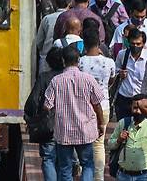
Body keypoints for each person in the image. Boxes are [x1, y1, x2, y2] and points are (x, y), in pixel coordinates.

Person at [43, 46, 104, 181]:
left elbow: (47, 106)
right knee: (87, 164)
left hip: (64, 131)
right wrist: (101, 123)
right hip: (85, 130)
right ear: (78, 60)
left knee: (65, 167)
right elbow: (97, 104)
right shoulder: (88, 79)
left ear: (63, 61)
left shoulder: (56, 81)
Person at [78, 31, 115, 181]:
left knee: (83, 142)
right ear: (99, 44)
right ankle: (98, 177)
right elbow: (111, 81)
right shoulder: (109, 62)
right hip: (104, 105)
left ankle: (84, 174)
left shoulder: (80, 62)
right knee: (99, 144)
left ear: (84, 45)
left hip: (83, 107)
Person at [24, 48, 65, 181]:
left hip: (49, 125)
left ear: (48, 62)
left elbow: (34, 100)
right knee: (64, 160)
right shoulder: (70, 77)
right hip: (69, 125)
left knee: (48, 158)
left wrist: (30, 118)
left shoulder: (44, 77)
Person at [107, 94, 147, 181]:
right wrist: (119, 140)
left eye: (141, 108)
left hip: (146, 176)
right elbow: (110, 145)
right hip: (123, 175)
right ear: (131, 108)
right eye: (135, 108)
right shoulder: (123, 123)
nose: (138, 111)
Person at [114, 28, 147, 120]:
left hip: (141, 99)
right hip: (124, 98)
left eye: (138, 44)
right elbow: (115, 71)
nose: (135, 46)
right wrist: (119, 74)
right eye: (133, 43)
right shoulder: (122, 55)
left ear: (143, 44)